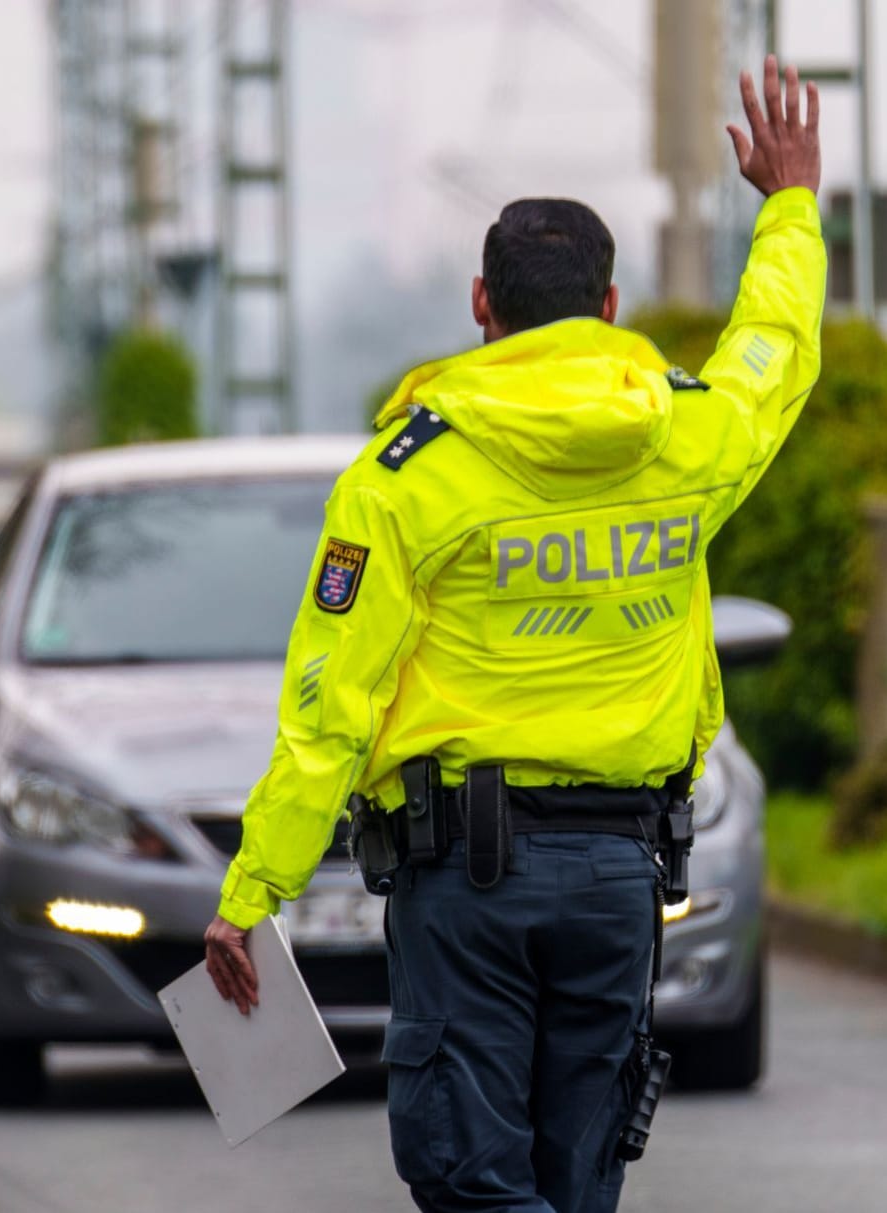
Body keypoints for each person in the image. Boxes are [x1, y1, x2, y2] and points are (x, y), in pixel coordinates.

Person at [203, 55, 822, 1213]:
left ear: (480, 306)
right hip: (620, 879)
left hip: (465, 885)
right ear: (607, 311)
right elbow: (774, 353)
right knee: (573, 1186)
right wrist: (787, 207)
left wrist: (253, 889)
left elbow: (330, 704)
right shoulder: (689, 440)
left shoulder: (406, 476)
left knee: (467, 1176)